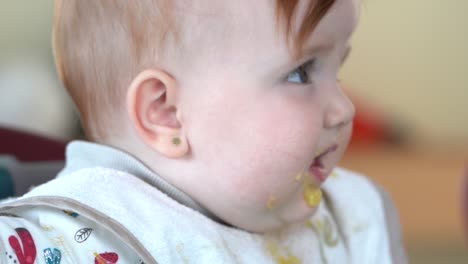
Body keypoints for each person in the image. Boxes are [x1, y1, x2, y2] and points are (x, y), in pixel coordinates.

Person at [0, 0, 407, 263]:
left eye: (338, 68)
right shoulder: (75, 239)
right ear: (167, 113)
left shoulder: (351, 221)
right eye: (300, 73)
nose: (344, 108)